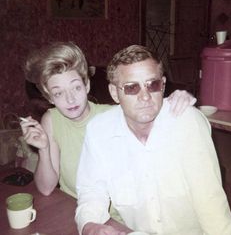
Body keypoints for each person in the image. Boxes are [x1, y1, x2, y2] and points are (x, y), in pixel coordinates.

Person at [75, 44, 231, 235]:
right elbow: (92, 190)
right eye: (132, 87)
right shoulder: (99, 131)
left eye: (153, 85)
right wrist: (90, 225)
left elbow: (211, 201)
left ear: (163, 86)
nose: (145, 97)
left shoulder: (186, 123)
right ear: (113, 93)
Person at [20, 42, 196, 199]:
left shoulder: (113, 115)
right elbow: (46, 188)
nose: (70, 99)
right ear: (49, 97)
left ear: (87, 85)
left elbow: (152, 117)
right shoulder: (51, 120)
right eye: (58, 93)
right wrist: (43, 149)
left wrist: (174, 103)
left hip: (120, 217)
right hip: (74, 210)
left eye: (76, 87)